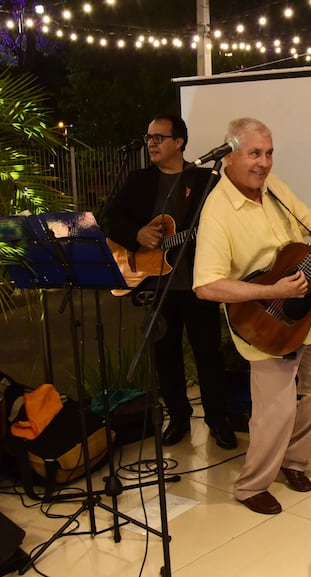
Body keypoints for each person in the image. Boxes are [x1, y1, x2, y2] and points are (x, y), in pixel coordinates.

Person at [192, 117, 311, 515]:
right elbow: (206, 286)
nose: (264, 163)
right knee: (278, 409)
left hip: (303, 316)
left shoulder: (274, 189)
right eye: (255, 154)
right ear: (230, 156)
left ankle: (293, 459)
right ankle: (251, 485)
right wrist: (273, 291)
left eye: (269, 153)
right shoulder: (217, 211)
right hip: (262, 323)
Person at [102, 114, 237, 450]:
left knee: (208, 354)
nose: (151, 143)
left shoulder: (207, 180)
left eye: (159, 137)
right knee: (166, 356)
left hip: (199, 284)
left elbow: (228, 223)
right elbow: (110, 218)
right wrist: (137, 233)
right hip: (156, 286)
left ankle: (218, 421)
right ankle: (177, 418)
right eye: (148, 137)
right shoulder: (139, 180)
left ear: (179, 142)